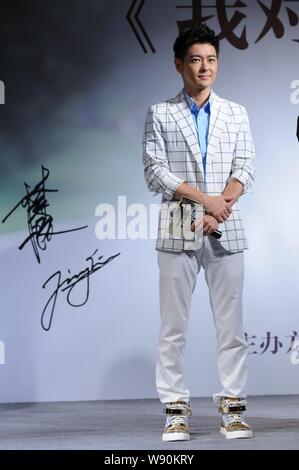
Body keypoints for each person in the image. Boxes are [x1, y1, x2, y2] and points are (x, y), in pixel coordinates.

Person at [142, 23, 255, 441]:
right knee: (173, 326)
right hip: (178, 222)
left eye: (211, 59)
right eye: (195, 60)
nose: (204, 67)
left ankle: (234, 408)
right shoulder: (161, 112)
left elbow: (246, 168)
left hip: (227, 223)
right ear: (179, 64)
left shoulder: (236, 112)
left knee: (232, 328)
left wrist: (218, 207)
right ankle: (175, 410)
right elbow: (155, 172)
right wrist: (205, 201)